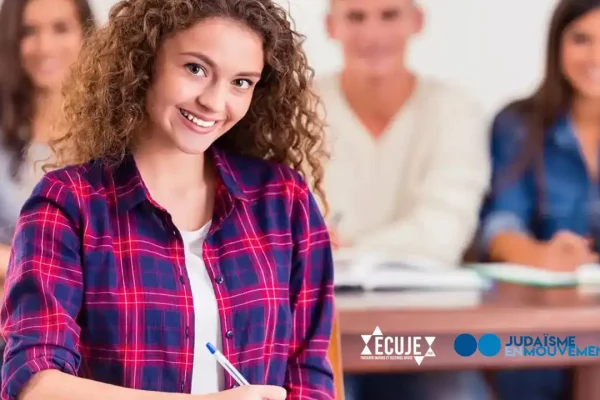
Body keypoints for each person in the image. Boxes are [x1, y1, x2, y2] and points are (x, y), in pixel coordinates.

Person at [0, 1, 335, 399]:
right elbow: (34, 384)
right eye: (196, 69)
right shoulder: (68, 203)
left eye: (241, 82)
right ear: (145, 62)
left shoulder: (284, 200)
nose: (214, 102)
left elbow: (309, 377)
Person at [315, 0, 491, 399]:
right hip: (324, 333)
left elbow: (444, 236)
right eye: (356, 17)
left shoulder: (455, 110)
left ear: (417, 21)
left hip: (427, 338)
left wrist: (348, 245)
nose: (372, 34)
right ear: (331, 26)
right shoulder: (298, 106)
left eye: (389, 15)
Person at [481, 0, 600, 398]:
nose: (595, 56)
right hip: (537, 328)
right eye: (581, 39)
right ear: (558, 47)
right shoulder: (518, 124)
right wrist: (543, 256)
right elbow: (500, 225)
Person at [0, 0, 95, 275]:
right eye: (28, 31)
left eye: (60, 28)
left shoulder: (118, 130)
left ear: (86, 33)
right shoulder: (5, 125)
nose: (45, 47)